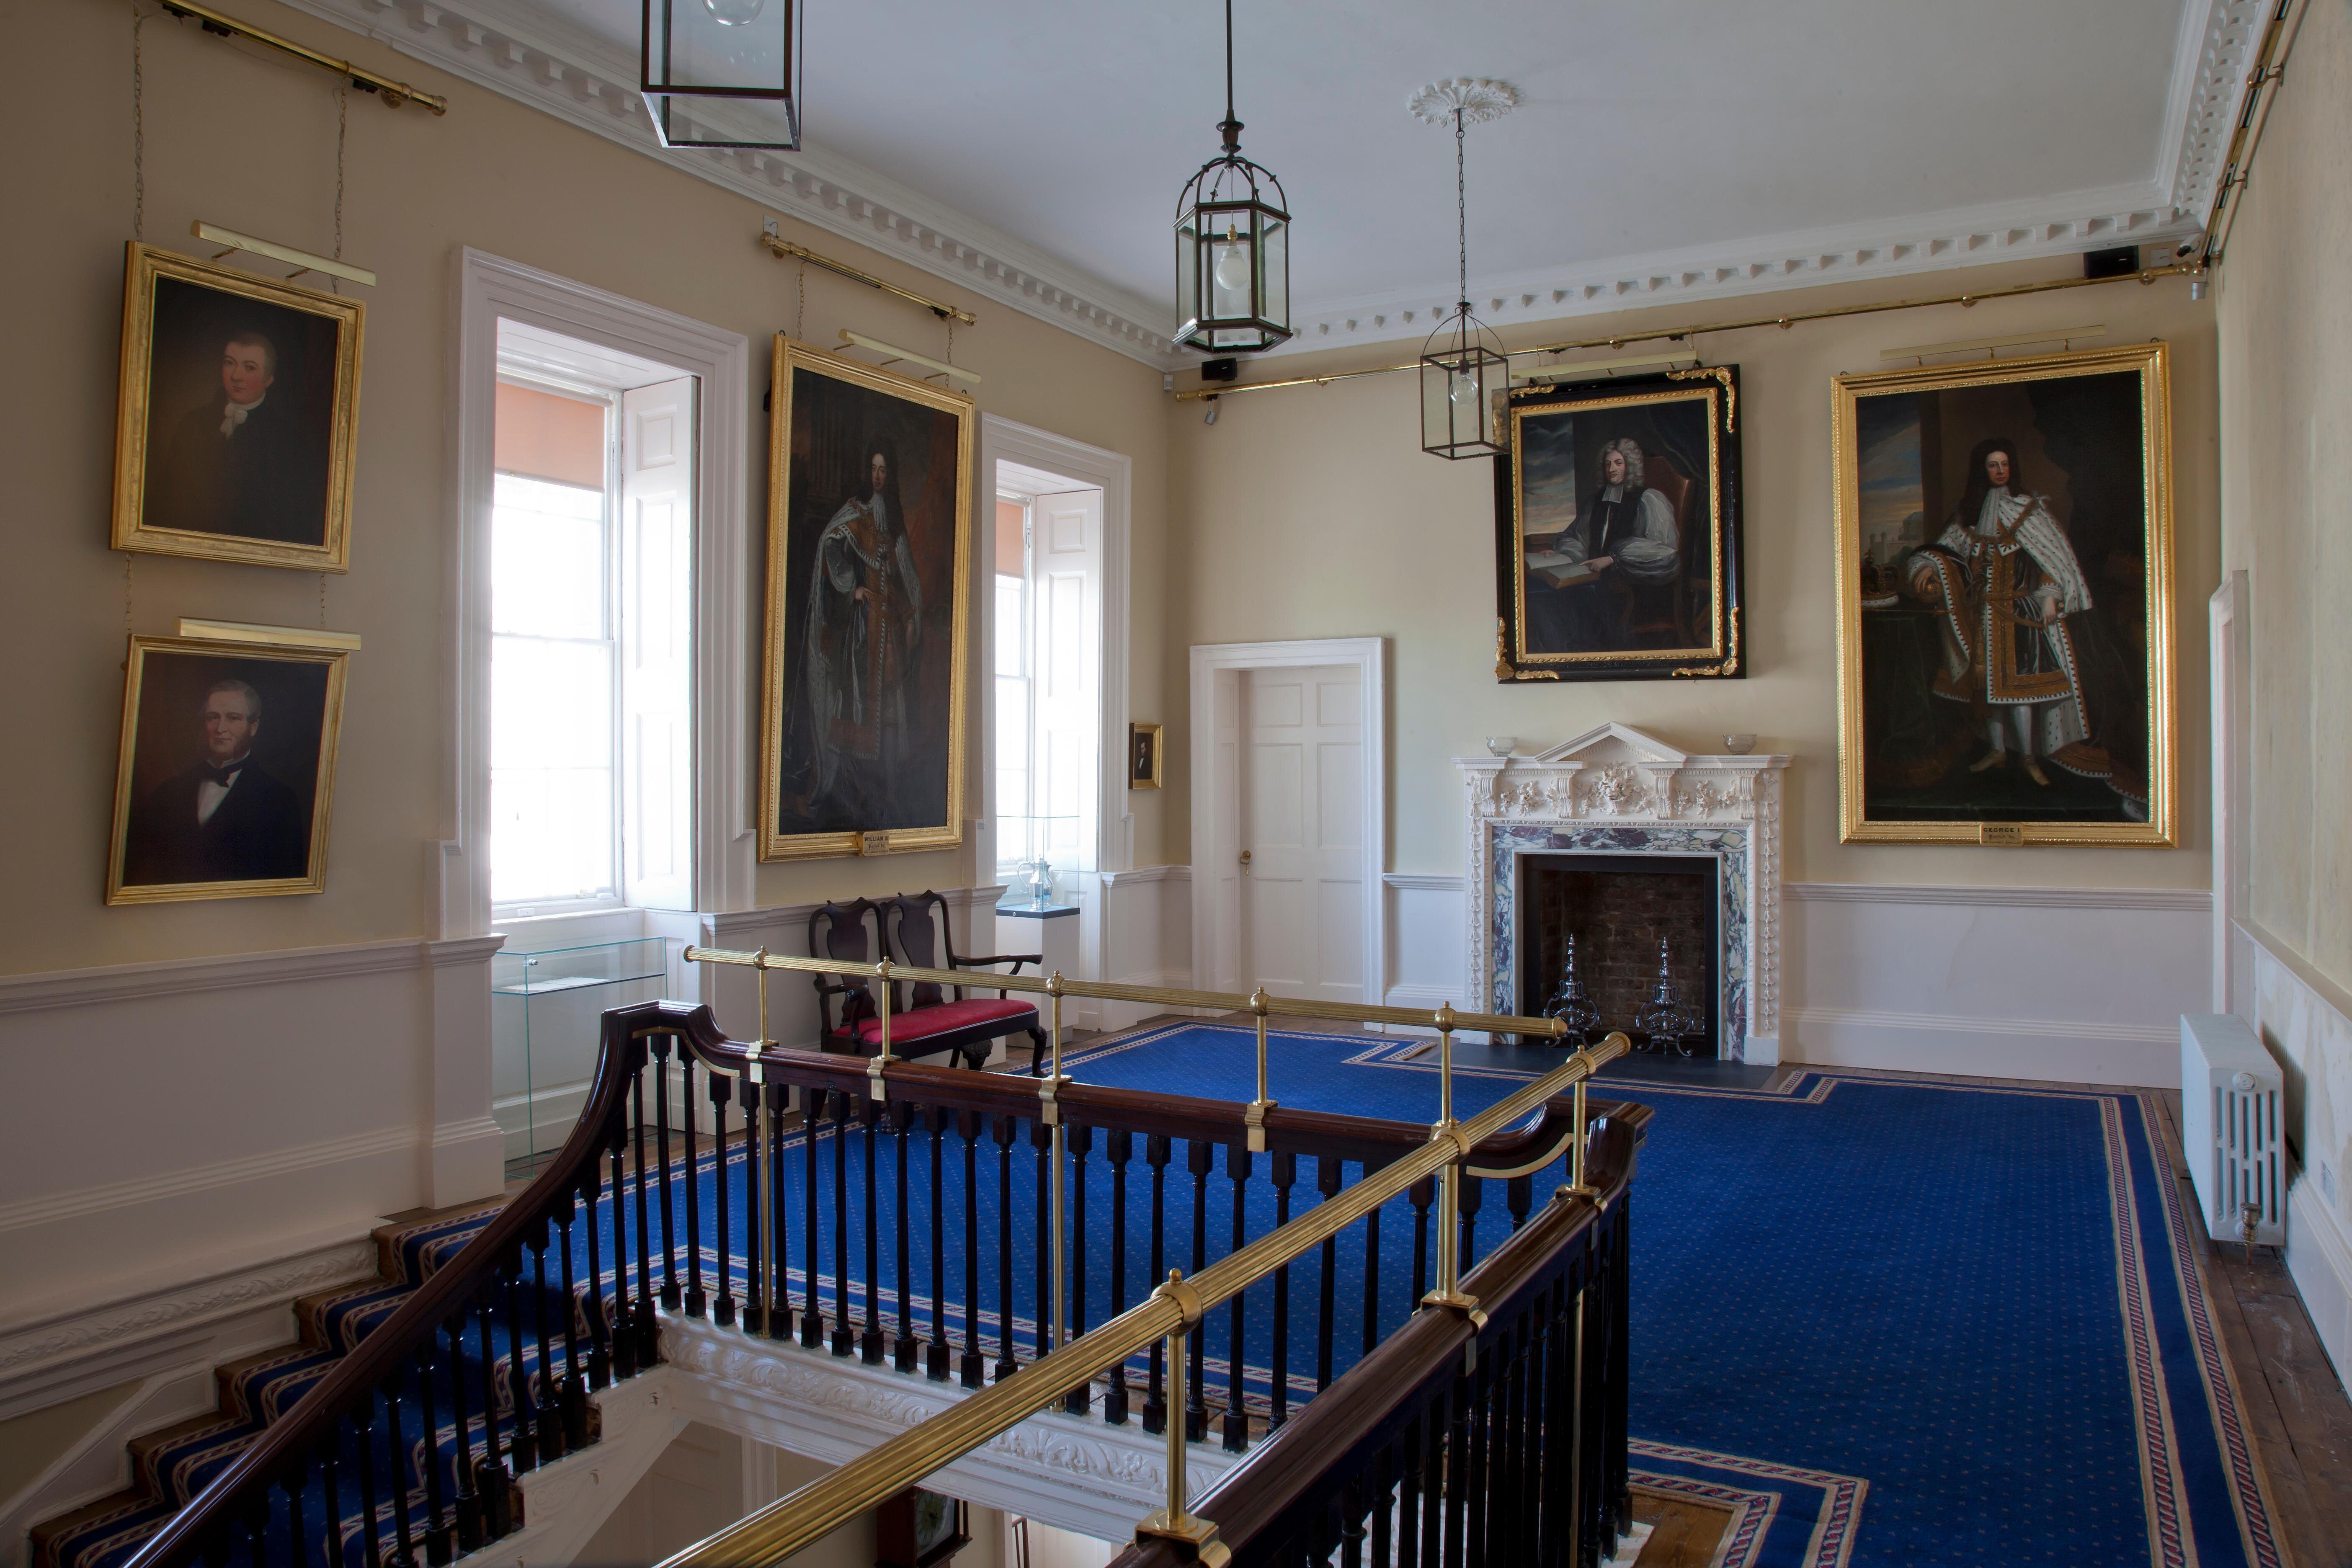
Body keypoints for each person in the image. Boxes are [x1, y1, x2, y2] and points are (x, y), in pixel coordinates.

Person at [1905, 438, 2096, 786]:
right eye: (1993, 465)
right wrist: (1927, 567)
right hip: (1982, 617)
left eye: (2005, 464)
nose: (2000, 471)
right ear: (1983, 470)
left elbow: (2050, 561)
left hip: (2020, 615)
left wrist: (2050, 596)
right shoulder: (1969, 515)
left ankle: (2028, 758)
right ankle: (1997, 751)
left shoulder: (2030, 510)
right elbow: (1943, 550)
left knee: (2020, 693)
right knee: (1987, 691)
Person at [793, 439, 924, 820]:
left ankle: (887, 794)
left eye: (884, 470)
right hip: (863, 631)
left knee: (889, 710)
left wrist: (911, 616)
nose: (878, 476)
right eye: (873, 469)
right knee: (858, 708)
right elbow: (828, 544)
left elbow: (906, 574)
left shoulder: (893, 521)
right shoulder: (855, 512)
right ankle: (853, 797)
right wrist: (853, 587)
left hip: (890, 630)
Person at [123, 678, 309, 885]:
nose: (221, 728)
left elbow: (285, 881)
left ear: (253, 727)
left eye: (233, 718)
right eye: (213, 718)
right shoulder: (168, 792)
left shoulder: (280, 800)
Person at [147, 328, 323, 543]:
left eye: (249, 368)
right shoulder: (193, 423)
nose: (236, 376)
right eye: (230, 363)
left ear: (268, 379)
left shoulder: (286, 440)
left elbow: (294, 517)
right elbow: (167, 498)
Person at [1527, 438, 1681, 649]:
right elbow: (1578, 537)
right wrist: (1563, 554)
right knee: (1539, 592)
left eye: (1618, 463)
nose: (1612, 469)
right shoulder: (1597, 502)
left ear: (1630, 466)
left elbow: (1664, 551)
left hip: (1633, 586)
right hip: (1594, 577)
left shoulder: (1649, 500)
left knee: (1576, 600)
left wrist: (1613, 559)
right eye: (1608, 464)